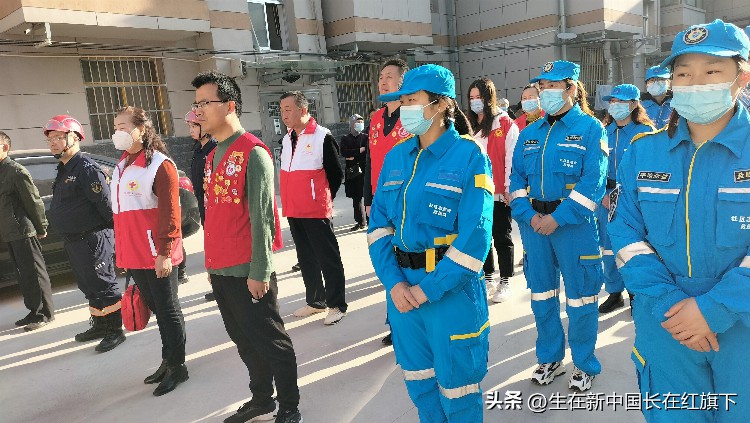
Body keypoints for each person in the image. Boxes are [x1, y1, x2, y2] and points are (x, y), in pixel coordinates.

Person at [609, 20, 750, 422]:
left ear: (742, 76)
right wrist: (675, 306)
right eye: (683, 73)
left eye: (711, 71)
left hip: (743, 324)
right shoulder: (644, 152)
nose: (695, 82)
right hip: (665, 322)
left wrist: (714, 309)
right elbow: (626, 236)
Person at [368, 64, 494, 422]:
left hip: (449, 294)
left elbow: (476, 236)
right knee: (421, 386)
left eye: (412, 100)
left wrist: (428, 290)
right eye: (401, 100)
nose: (404, 108)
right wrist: (394, 284)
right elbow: (378, 228)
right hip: (403, 296)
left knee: (459, 392)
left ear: (439, 105)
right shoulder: (395, 158)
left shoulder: (469, 156)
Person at [192, 71, 302, 423]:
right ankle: (261, 398)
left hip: (248, 272)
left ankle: (289, 404)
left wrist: (259, 270)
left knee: (271, 341)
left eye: (205, 103)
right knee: (243, 340)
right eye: (196, 105)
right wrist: (212, 267)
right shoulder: (212, 155)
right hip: (221, 269)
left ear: (229, 105)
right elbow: (217, 215)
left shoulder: (253, 153)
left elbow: (263, 218)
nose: (198, 112)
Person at [509, 60, 607, 392]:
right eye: (542, 87)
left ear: (571, 88)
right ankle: (550, 357)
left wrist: (558, 218)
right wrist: (528, 214)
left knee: (580, 298)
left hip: (573, 226)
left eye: (551, 86)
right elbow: (517, 181)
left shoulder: (591, 129)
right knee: (542, 295)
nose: (544, 93)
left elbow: (593, 183)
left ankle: (584, 363)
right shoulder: (528, 133)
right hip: (535, 227)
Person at [110, 106, 188, 396]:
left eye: (123, 126)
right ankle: (168, 360)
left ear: (141, 130)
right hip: (135, 254)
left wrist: (165, 252)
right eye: (115, 126)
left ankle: (178, 367)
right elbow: (120, 215)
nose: (117, 131)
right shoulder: (121, 166)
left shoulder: (159, 165)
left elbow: (170, 214)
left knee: (168, 310)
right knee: (156, 309)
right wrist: (123, 254)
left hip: (158, 252)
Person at [45, 114, 125, 352]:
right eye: (50, 139)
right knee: (88, 285)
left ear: (75, 138)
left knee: (103, 284)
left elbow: (107, 208)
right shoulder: (63, 169)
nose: (53, 143)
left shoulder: (87, 169)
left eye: (59, 137)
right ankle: (100, 324)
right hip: (74, 241)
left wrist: (115, 240)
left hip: (93, 238)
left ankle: (115, 330)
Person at [280, 90, 348, 326]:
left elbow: (336, 174)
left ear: (303, 110)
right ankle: (316, 300)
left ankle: (337, 304)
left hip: (315, 209)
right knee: (306, 257)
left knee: (327, 258)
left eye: (288, 109)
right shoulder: (287, 138)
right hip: (294, 209)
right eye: (281, 110)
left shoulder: (322, 136)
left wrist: (321, 197)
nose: (284, 114)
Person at [597, 84, 655, 314]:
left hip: (632, 199)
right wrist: (602, 194)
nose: (614, 106)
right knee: (608, 249)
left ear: (633, 105)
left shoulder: (646, 132)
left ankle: (636, 294)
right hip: (605, 199)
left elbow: (650, 169)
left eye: (620, 102)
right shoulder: (603, 131)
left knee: (634, 247)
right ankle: (614, 292)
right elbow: (594, 167)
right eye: (612, 102)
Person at [365, 58, 410, 346]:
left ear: (403, 82)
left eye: (389, 76)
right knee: (386, 259)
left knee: (407, 259)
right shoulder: (375, 118)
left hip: (406, 199)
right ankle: (395, 321)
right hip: (381, 203)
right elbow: (370, 160)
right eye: (381, 77)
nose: (383, 81)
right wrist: (368, 199)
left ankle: (407, 323)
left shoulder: (413, 117)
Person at [467, 77, 519, 303]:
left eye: (479, 97)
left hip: (498, 193)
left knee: (501, 236)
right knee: (482, 237)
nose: (475, 102)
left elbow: (511, 159)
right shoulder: (469, 126)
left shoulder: (506, 124)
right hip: (476, 193)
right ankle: (488, 277)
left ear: (489, 98)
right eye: (472, 98)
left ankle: (505, 280)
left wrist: (509, 188)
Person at [0, 131, 54, 331]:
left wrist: (41, 227)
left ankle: (44, 314)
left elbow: (33, 201)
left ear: (5, 147)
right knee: (23, 275)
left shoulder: (16, 171)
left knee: (34, 273)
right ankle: (34, 310)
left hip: (23, 230)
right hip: (10, 233)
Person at [185, 110, 219, 302]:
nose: (190, 130)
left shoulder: (214, 149)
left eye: (193, 126)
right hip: (202, 202)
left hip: (213, 203)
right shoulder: (198, 149)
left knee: (218, 244)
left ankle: (221, 284)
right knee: (211, 245)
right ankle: (216, 283)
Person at [340, 114, 368, 231]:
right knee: (356, 198)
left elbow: (367, 152)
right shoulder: (345, 138)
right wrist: (358, 150)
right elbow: (344, 153)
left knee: (367, 196)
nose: (360, 124)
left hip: (365, 170)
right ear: (352, 123)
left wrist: (353, 154)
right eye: (357, 122)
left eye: (361, 122)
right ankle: (360, 221)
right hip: (352, 172)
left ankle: (369, 220)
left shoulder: (366, 137)